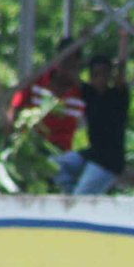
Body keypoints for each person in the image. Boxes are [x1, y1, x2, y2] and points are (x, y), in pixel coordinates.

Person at [56, 31, 130, 195]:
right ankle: (68, 195)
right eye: (96, 75)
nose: (100, 79)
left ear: (110, 75)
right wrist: (80, 43)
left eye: (104, 74)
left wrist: (124, 38)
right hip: (93, 154)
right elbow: (70, 69)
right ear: (90, 76)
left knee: (81, 197)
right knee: (57, 164)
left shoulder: (118, 96)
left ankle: (75, 203)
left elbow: (122, 67)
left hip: (109, 160)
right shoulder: (89, 94)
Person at [7, 37, 84, 180]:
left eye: (71, 64)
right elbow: (13, 113)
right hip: (30, 155)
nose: (67, 69)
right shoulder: (37, 82)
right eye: (64, 62)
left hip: (61, 160)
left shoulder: (81, 94)